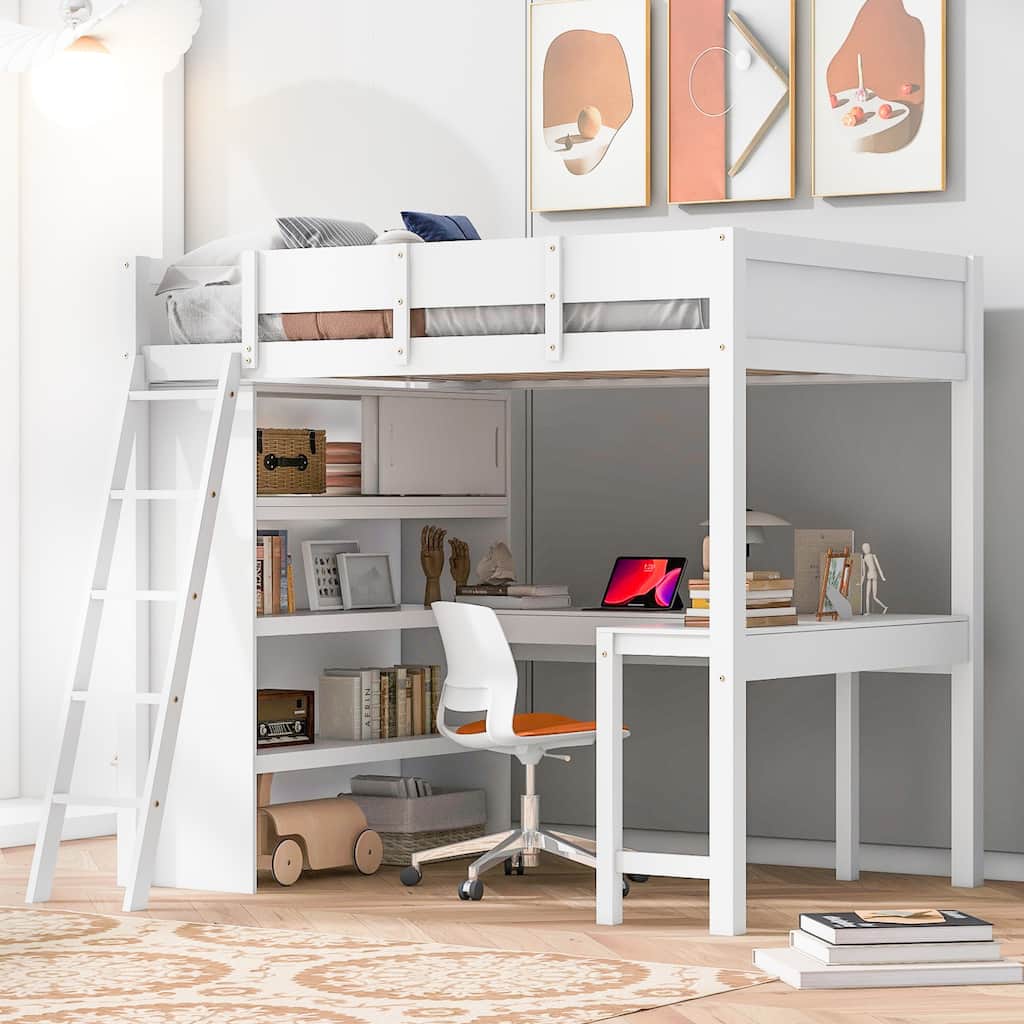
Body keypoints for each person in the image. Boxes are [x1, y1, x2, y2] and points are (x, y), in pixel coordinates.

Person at [861, 542, 888, 615]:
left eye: (867, 547)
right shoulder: (864, 559)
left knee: (874, 597)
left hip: (874, 574)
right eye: (864, 548)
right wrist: (861, 583)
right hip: (869, 575)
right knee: (867, 596)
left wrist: (882, 577)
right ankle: (868, 611)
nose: (866, 549)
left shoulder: (873, 556)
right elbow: (863, 573)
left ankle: (885, 607)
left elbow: (878, 567)